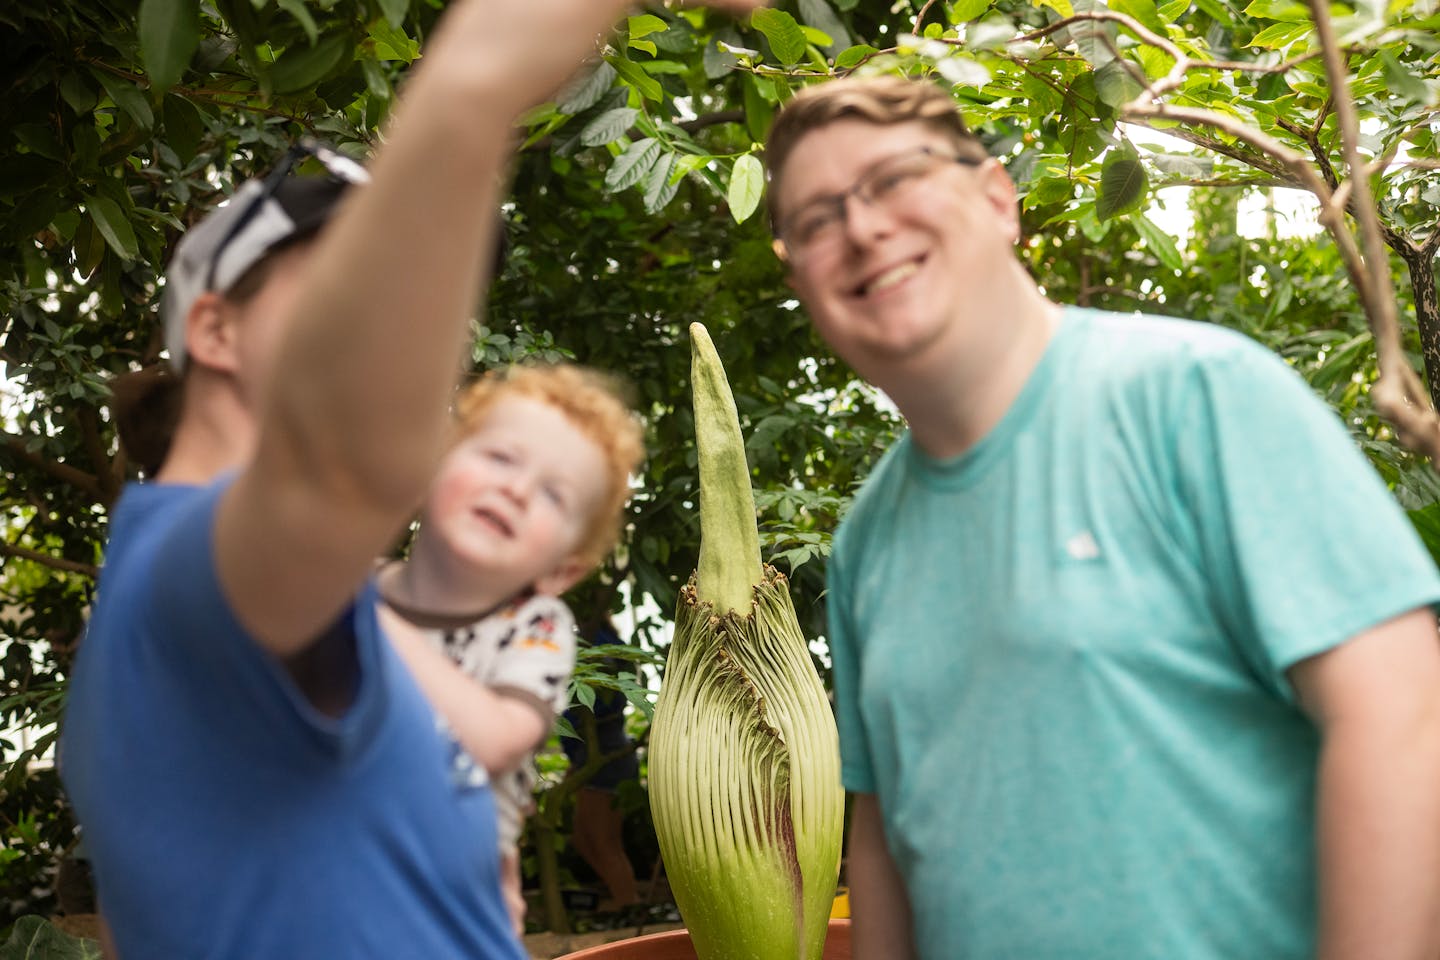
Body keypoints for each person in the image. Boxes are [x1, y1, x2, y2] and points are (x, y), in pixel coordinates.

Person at [56, 1, 761, 957]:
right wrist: (472, 90)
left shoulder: (308, 609)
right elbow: (356, 462)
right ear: (216, 330)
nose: (406, 328)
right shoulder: (197, 565)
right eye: (345, 277)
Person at [763, 75, 1440, 960]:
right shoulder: (863, 544)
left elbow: (1403, 716)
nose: (861, 227)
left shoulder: (1196, 394)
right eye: (815, 219)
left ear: (998, 199)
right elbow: (886, 843)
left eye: (895, 178)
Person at [374, 364, 645, 934]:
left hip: (448, 902)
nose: (515, 489)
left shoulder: (535, 625)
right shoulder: (355, 587)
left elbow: (495, 739)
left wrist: (373, 623)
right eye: (499, 458)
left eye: (553, 494)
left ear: (563, 568)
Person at [559, 617, 643, 912]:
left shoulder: (603, 644)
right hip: (595, 755)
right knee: (584, 838)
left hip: (606, 754)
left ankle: (628, 905)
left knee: (605, 841)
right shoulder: (592, 642)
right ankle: (623, 901)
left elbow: (608, 701)